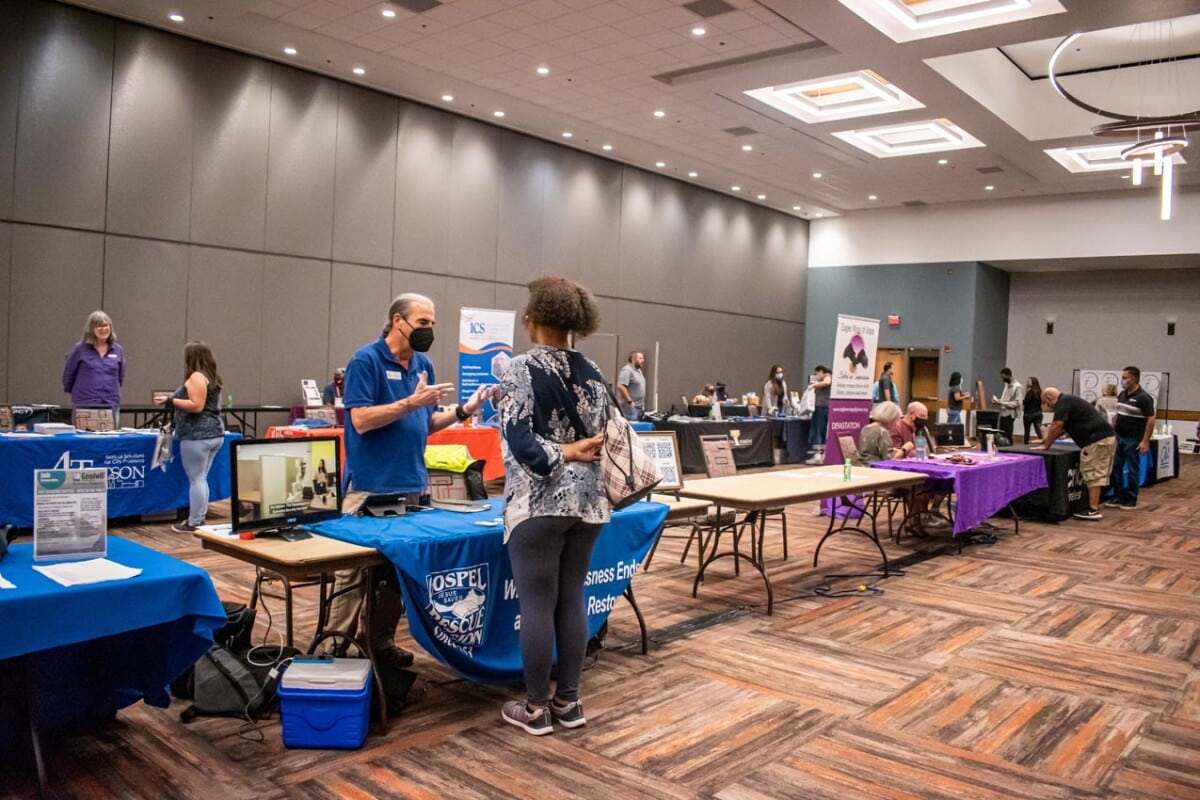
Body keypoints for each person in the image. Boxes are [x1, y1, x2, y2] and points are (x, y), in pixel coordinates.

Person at [328, 292, 494, 710]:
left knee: (395, 574)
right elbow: (360, 420)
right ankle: (333, 649)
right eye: (422, 322)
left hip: (413, 488)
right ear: (397, 321)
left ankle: (379, 644)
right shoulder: (366, 361)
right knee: (352, 574)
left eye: (432, 322)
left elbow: (425, 423)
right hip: (369, 488)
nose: (429, 330)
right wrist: (410, 403)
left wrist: (463, 410)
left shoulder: (423, 365)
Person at [496, 276, 608, 736]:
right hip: (589, 504)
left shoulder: (519, 369)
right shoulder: (594, 370)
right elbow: (605, 437)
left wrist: (563, 451)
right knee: (572, 598)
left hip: (539, 503)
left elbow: (524, 446)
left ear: (533, 318)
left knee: (537, 604)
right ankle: (570, 702)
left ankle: (536, 708)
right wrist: (578, 450)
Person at [157, 342, 225, 534]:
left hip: (197, 434)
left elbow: (196, 405)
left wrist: (171, 400)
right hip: (215, 433)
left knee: (196, 479)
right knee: (201, 479)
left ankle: (195, 520)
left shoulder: (196, 377)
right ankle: (199, 517)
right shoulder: (212, 377)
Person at [1039, 387, 1116, 521]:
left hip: (1097, 440)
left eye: (1046, 403)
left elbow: (1057, 425)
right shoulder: (1069, 401)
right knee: (1095, 472)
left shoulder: (1063, 402)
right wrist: (1045, 439)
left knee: (1093, 472)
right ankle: (1092, 505)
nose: (1048, 407)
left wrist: (1046, 446)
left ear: (1049, 398)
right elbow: (1062, 429)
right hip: (1103, 438)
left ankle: (1093, 509)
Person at [1106, 365, 1156, 511]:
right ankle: (1118, 495)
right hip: (1119, 436)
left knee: (1133, 469)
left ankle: (1131, 498)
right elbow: (1118, 414)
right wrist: (1112, 430)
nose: (1122, 380)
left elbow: (1151, 419)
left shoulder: (1144, 397)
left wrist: (1145, 441)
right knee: (1116, 467)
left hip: (1133, 438)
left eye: (1124, 378)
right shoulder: (1122, 394)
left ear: (1133, 379)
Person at [63, 310, 125, 418]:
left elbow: (120, 377)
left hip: (110, 404)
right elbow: (68, 376)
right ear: (91, 329)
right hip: (85, 405)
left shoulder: (117, 350)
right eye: (99, 326)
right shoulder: (79, 349)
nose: (103, 329)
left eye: (106, 325)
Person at [805, 366, 832, 464]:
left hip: (821, 408)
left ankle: (817, 455)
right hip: (822, 408)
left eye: (816, 373)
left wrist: (814, 385)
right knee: (822, 431)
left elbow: (827, 382)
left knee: (817, 430)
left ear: (821, 371)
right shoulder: (823, 380)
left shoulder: (827, 376)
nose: (816, 376)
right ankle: (821, 454)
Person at [992, 368, 1024, 443]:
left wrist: (1002, 403)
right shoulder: (1006, 385)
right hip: (1003, 413)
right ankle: (1002, 447)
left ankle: (1009, 447)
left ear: (1009, 375)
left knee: (1008, 434)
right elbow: (1005, 399)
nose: (1003, 379)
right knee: (1001, 433)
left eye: (1003, 377)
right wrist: (998, 401)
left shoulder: (1017, 387)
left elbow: (1017, 402)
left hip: (1009, 414)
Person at [616, 350, 646, 421]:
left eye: (643, 358)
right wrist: (630, 401)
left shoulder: (638, 371)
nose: (643, 360)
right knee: (631, 427)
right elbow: (621, 386)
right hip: (630, 409)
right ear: (633, 359)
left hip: (638, 408)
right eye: (640, 358)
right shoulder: (627, 370)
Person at [1022, 376, 1044, 442]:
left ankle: (1026, 443)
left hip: (1028, 413)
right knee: (1038, 429)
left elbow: (1026, 402)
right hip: (1038, 412)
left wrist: (1023, 401)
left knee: (1027, 430)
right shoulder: (1040, 391)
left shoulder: (1030, 392)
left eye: (1029, 381)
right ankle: (1042, 440)